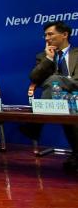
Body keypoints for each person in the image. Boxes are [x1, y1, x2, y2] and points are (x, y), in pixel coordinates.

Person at [24, 21, 77, 173]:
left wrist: (58, 80)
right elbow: (34, 78)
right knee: (62, 99)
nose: (47, 38)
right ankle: (76, 155)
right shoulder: (43, 56)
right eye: (45, 35)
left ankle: (35, 125)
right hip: (57, 98)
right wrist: (48, 59)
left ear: (64, 35)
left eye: (50, 34)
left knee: (54, 80)